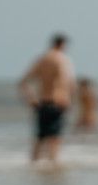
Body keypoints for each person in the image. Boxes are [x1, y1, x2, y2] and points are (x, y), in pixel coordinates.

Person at [17, 33, 76, 164]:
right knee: (55, 139)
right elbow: (68, 82)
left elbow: (23, 82)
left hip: (41, 103)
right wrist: (69, 100)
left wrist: (30, 99)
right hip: (58, 102)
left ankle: (34, 167)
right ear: (62, 44)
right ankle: (53, 167)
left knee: (39, 138)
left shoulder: (41, 59)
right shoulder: (62, 59)